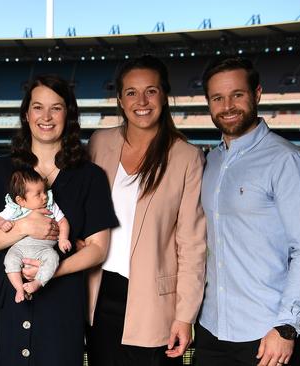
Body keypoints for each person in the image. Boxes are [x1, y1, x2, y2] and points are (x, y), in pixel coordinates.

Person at [0, 74, 117, 366]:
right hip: (7, 301)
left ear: (69, 114)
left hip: (61, 302)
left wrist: (52, 270)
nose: (46, 116)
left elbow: (98, 249)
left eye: (57, 107)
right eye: (38, 107)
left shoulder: (90, 176)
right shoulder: (1, 169)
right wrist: (25, 227)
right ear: (26, 115)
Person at [194, 56, 300, 366]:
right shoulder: (211, 163)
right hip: (213, 329)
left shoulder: (287, 162)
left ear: (257, 94)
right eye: (217, 98)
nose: (227, 105)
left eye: (237, 95)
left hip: (268, 333)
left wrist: (287, 327)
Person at [85, 55, 207, 366]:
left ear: (164, 95)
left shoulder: (186, 157)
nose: (142, 101)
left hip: (154, 304)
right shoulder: (99, 143)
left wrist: (184, 316)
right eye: (131, 92)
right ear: (120, 99)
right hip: (98, 296)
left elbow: (192, 244)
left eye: (151, 90)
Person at [0, 168, 71, 302]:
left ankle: (38, 283)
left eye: (45, 191)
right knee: (10, 259)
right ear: (21, 200)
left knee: (53, 258)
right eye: (38, 194)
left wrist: (63, 238)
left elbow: (63, 221)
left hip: (44, 249)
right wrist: (2, 223)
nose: (45, 196)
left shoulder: (50, 205)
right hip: (19, 248)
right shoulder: (15, 208)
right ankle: (19, 288)